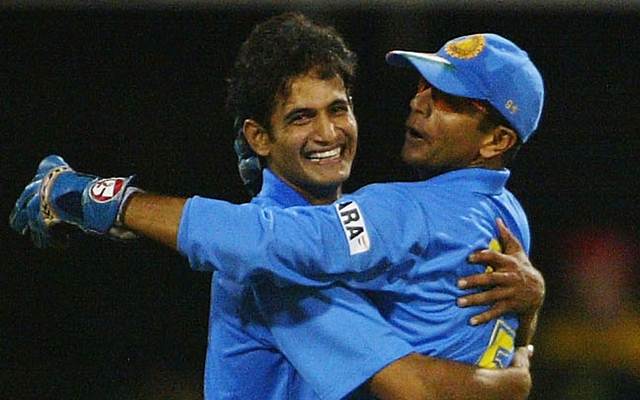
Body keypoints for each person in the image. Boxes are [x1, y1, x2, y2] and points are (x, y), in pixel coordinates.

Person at [10, 14, 544, 400]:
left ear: (497, 141)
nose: (329, 132)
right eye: (301, 118)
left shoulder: (423, 222)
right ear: (259, 138)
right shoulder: (281, 267)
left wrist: (533, 304)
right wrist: (515, 381)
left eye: (338, 109)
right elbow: (414, 386)